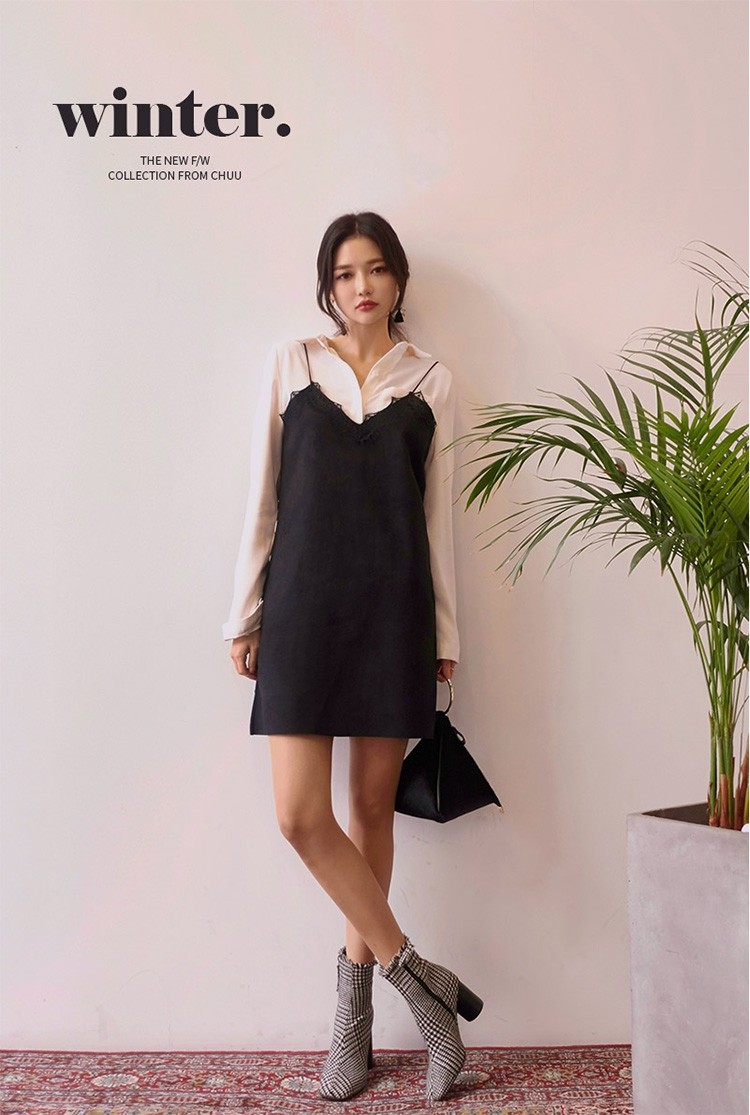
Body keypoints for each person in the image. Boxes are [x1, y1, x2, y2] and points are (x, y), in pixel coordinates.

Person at [222, 212, 483, 1102]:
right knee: (301, 815)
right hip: (300, 612)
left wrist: (446, 636)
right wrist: (244, 615)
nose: (361, 286)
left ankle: (353, 1027)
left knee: (371, 810)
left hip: (394, 613)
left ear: (399, 279)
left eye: (375, 269)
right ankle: (423, 982)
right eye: (344, 273)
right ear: (327, 286)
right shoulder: (293, 363)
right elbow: (262, 499)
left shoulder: (433, 379)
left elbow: (439, 519)